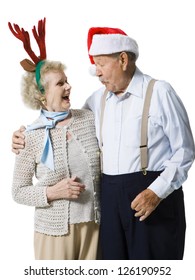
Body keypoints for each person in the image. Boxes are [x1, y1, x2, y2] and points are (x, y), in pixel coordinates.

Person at [12, 26, 195, 260]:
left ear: (123, 59)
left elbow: (185, 151)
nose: (96, 73)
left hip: (151, 197)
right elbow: (60, 122)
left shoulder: (160, 92)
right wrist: (21, 135)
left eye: (100, 64)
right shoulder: (97, 101)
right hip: (109, 204)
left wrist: (156, 192)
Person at [9, 19, 101, 260]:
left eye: (67, 80)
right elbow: (18, 191)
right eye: (61, 83)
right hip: (53, 232)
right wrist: (52, 192)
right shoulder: (30, 136)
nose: (69, 86)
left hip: (95, 227)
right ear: (42, 95)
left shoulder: (89, 118)